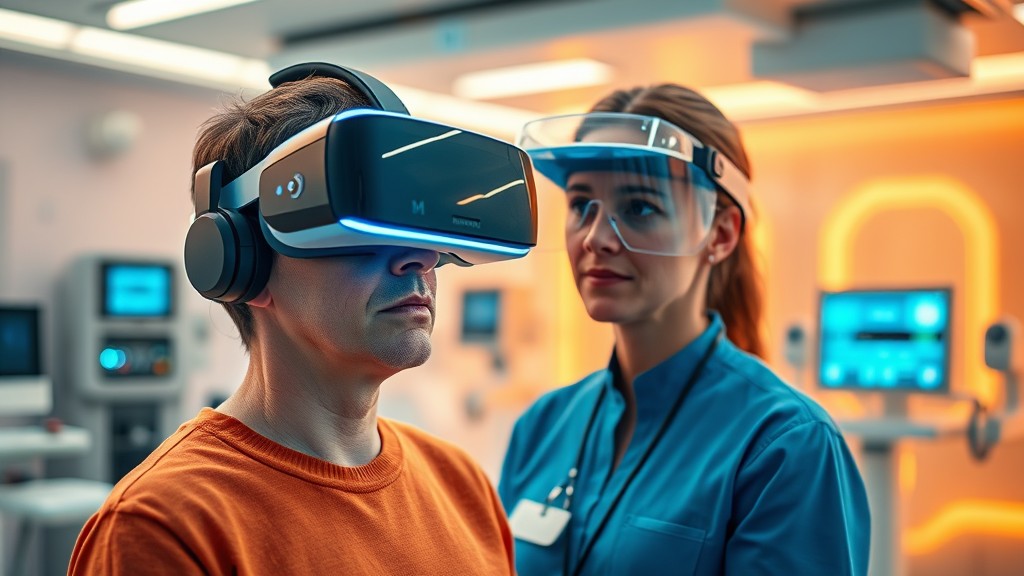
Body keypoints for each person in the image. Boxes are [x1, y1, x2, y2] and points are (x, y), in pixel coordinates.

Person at [69, 68, 516, 574]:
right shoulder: (164, 524)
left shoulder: (462, 485)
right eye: (362, 227)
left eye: (416, 228)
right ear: (243, 261)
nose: (419, 260)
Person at [499, 84, 870, 575]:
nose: (595, 237)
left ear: (720, 234)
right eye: (580, 204)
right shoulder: (543, 427)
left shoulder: (785, 445)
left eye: (640, 208)